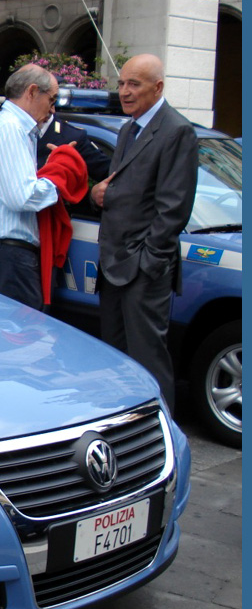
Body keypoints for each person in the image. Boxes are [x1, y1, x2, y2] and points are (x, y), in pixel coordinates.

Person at [90, 54, 198, 410]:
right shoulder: (127, 129)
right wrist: (97, 195)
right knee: (116, 361)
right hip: (113, 266)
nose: (124, 92)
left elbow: (173, 210)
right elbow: (119, 189)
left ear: (158, 87)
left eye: (134, 84)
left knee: (147, 359)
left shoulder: (176, 131)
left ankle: (161, 431)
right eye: (121, 83)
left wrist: (147, 262)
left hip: (141, 270)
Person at [0, 64, 60, 309]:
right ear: (32, 92)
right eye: (51, 100)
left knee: (14, 337)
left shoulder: (14, 128)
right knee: (16, 339)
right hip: (9, 258)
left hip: (7, 256)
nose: (52, 110)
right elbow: (21, 196)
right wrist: (60, 178)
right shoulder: (11, 129)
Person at [37, 100, 111, 181]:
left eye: (52, 99)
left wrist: (93, 192)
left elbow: (111, 176)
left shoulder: (72, 137)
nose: (52, 109)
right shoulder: (22, 133)